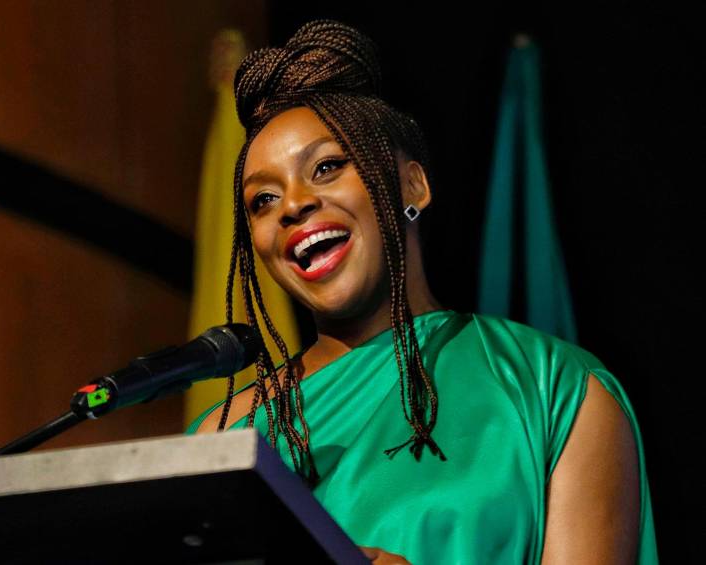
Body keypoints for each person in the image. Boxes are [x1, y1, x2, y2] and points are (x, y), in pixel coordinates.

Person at [188, 20, 658, 564]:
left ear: (414, 184)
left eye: (326, 167)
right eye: (263, 200)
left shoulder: (557, 389)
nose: (292, 206)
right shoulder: (229, 437)